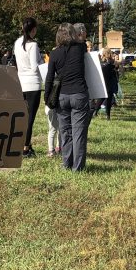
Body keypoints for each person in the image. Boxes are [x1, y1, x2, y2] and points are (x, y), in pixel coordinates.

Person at [44, 23, 90, 171]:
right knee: (79, 133)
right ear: (74, 34)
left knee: (65, 132)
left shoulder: (54, 54)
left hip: (61, 97)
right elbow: (83, 41)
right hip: (79, 94)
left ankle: (66, 163)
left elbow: (49, 78)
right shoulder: (80, 48)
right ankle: (78, 168)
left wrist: (47, 98)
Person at [14, 17, 43, 158]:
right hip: (33, 83)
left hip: (21, 82)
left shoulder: (17, 42)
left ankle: (23, 143)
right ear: (33, 29)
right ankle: (25, 147)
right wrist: (42, 61)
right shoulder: (32, 44)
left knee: (22, 116)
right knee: (30, 118)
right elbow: (34, 66)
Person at [93, 50, 119, 120]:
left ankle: (97, 112)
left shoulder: (103, 62)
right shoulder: (109, 63)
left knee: (104, 97)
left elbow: (115, 68)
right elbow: (114, 68)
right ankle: (106, 115)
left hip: (105, 82)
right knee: (107, 98)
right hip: (108, 82)